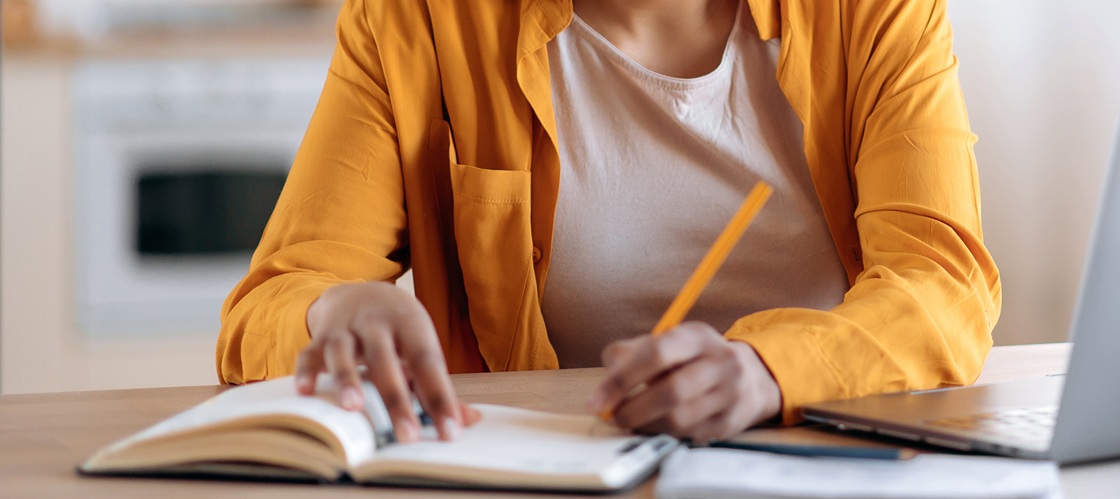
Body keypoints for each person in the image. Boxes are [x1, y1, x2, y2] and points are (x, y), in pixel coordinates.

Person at [216, 0, 1001, 445]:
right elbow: (269, 303)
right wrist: (335, 310)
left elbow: (942, 282)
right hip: (548, 473)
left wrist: (768, 370)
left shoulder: (875, 13)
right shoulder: (419, 19)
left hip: (819, 458)